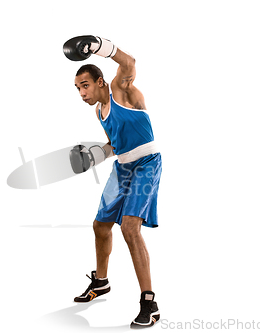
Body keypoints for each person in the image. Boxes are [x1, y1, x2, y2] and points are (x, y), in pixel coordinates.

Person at [64, 35, 162, 329]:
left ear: (101, 82)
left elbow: (129, 63)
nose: (82, 93)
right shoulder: (99, 111)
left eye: (85, 85)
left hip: (147, 165)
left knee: (130, 228)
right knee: (100, 225)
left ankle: (150, 302)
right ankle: (102, 281)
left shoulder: (122, 91)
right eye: (78, 88)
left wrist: (100, 45)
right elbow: (115, 146)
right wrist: (95, 156)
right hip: (123, 168)